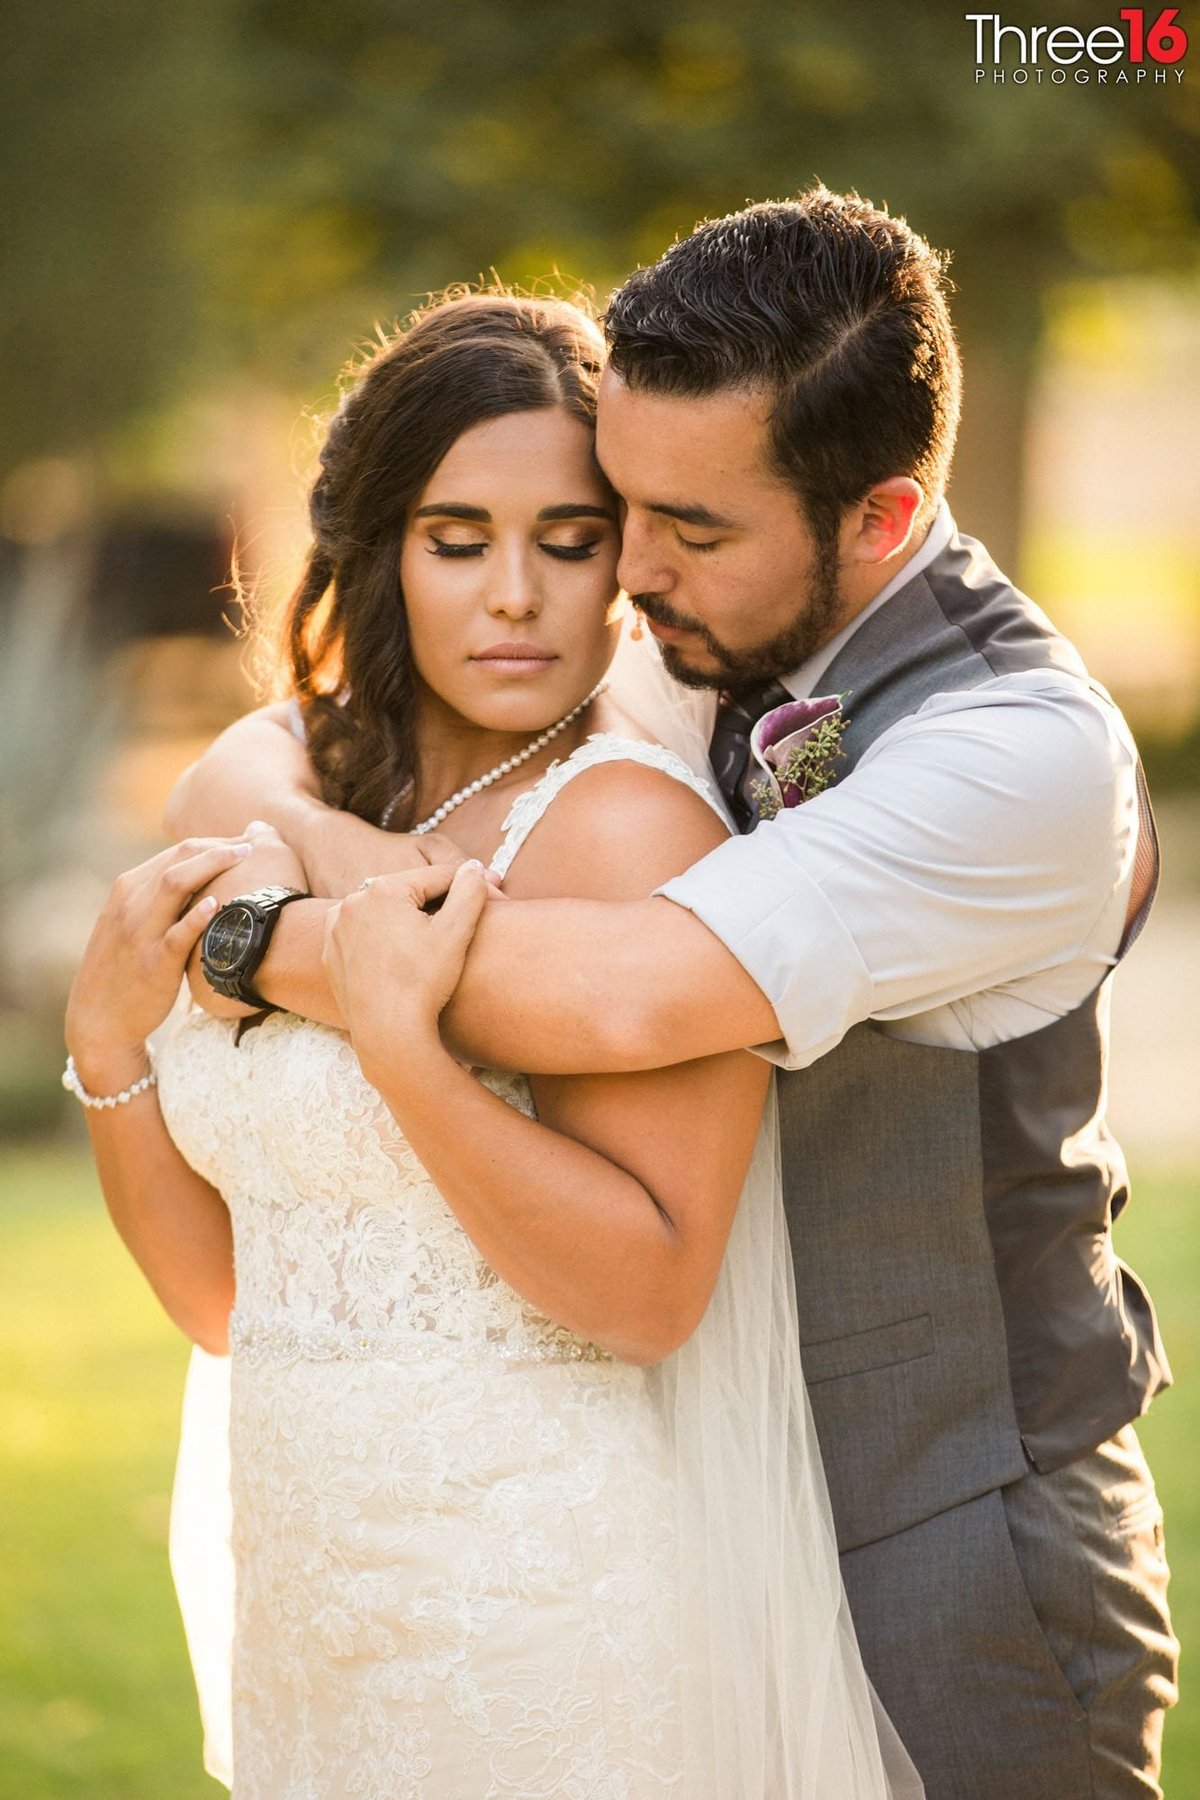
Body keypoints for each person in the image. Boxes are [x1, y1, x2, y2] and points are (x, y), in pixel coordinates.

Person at [174, 190, 1181, 1798]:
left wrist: (246, 945)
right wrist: (288, 832)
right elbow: (267, 742)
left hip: (948, 1522)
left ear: (878, 514)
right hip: (689, 1497)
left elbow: (616, 1000)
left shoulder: (1020, 755)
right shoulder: (699, 612)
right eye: (621, 511)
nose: (622, 572)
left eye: (685, 528)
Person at [65, 291, 916, 1798]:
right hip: (316, 1609)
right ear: (381, 549)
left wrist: (406, 1047)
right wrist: (107, 1051)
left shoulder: (625, 832)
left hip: (544, 1615)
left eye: (569, 539)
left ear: (628, 556)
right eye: (459, 540)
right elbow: (219, 1298)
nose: (515, 595)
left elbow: (650, 1295)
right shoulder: (289, 793)